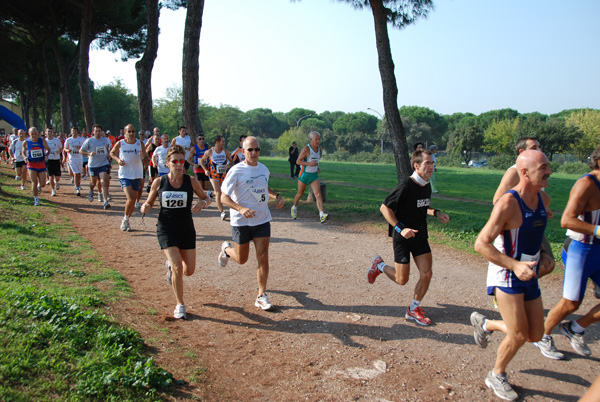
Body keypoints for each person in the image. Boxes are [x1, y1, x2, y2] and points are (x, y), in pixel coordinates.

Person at [470, 150, 553, 401]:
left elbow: (540, 233)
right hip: (506, 273)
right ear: (525, 172)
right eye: (543, 167)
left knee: (535, 334)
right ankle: (497, 374)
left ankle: (486, 324)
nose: (549, 171)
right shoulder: (508, 203)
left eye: (548, 166)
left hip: (530, 274)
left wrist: (547, 254)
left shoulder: (543, 199)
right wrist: (515, 265)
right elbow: (481, 244)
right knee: (518, 334)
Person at [367, 149, 449, 326]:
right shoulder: (406, 185)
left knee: (426, 274)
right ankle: (379, 265)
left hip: (420, 236)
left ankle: (413, 309)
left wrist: (436, 212)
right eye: (428, 163)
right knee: (401, 279)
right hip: (403, 238)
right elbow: (384, 208)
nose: (431, 167)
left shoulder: (426, 185)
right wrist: (400, 228)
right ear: (416, 165)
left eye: (433, 164)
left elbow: (420, 206)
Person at [533, 145, 600, 360]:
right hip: (581, 248)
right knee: (572, 302)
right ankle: (542, 334)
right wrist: (598, 230)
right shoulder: (586, 184)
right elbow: (566, 220)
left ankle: (575, 328)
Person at [141, 145, 211, 319]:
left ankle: (170, 269)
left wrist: (201, 204)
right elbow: (149, 202)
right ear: (167, 163)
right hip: (166, 228)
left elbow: (206, 198)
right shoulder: (159, 182)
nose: (179, 165)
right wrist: (146, 206)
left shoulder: (191, 181)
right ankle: (180, 304)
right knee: (178, 267)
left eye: (181, 161)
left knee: (189, 271)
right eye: (175, 161)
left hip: (186, 228)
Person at [217, 136, 284, 310]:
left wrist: (276, 195)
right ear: (242, 151)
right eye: (250, 150)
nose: (254, 153)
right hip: (241, 221)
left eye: (257, 149)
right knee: (241, 259)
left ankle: (261, 295)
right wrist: (240, 209)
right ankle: (226, 249)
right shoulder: (236, 170)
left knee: (263, 256)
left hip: (262, 219)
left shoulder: (264, 169)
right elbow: (223, 197)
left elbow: (264, 187)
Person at [110, 124, 147, 231]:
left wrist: (144, 157)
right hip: (125, 174)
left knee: (134, 199)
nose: (131, 134)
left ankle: (127, 219)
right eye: (129, 131)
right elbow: (112, 153)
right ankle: (125, 220)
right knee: (130, 198)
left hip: (136, 174)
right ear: (125, 133)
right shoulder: (120, 143)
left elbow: (145, 158)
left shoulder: (139, 144)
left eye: (133, 131)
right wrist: (118, 160)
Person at [291, 131, 329, 223]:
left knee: (318, 194)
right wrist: (309, 164)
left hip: (314, 175)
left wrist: (317, 167)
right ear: (311, 139)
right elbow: (298, 161)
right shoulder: (306, 149)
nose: (318, 141)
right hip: (304, 174)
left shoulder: (319, 149)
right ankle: (294, 207)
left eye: (319, 139)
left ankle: (321, 214)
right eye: (316, 139)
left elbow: (315, 160)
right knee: (300, 194)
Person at [199, 135, 233, 220]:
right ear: (217, 142)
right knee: (218, 192)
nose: (224, 143)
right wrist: (205, 170)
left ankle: (210, 194)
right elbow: (201, 161)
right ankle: (222, 212)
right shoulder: (210, 152)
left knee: (220, 191)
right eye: (222, 141)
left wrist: (228, 165)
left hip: (223, 175)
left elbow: (231, 160)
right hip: (213, 174)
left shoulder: (225, 152)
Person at [80, 124, 113, 209]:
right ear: (93, 132)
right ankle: (91, 190)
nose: (98, 133)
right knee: (93, 183)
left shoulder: (106, 140)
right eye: (96, 131)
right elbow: (81, 151)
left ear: (102, 132)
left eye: (99, 131)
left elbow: (110, 149)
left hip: (103, 163)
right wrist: (89, 154)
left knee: (104, 182)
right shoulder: (89, 141)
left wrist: (109, 153)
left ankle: (105, 201)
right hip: (93, 164)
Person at [22, 127, 50, 206]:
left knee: (43, 184)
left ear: (38, 134)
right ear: (29, 134)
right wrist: (25, 157)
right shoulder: (26, 142)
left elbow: (48, 149)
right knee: (34, 182)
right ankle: (36, 199)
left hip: (41, 164)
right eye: (32, 134)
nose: (34, 136)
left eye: (35, 134)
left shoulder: (42, 141)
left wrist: (46, 155)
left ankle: (39, 186)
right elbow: (23, 151)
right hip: (31, 164)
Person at [63, 127, 86, 196]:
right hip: (72, 158)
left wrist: (81, 148)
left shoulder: (81, 139)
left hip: (79, 158)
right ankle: (77, 188)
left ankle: (78, 184)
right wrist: (68, 150)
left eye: (75, 131)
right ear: (71, 132)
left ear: (77, 132)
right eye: (73, 131)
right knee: (76, 173)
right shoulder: (68, 140)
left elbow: (85, 147)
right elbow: (65, 148)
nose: (74, 132)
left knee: (78, 174)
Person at [45, 127, 63, 196]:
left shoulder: (57, 140)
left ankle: (57, 182)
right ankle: (53, 190)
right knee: (50, 176)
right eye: (48, 131)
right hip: (49, 160)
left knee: (57, 177)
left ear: (52, 132)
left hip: (56, 160)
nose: (49, 133)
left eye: (51, 131)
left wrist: (58, 151)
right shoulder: (45, 141)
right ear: (46, 132)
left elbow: (61, 148)